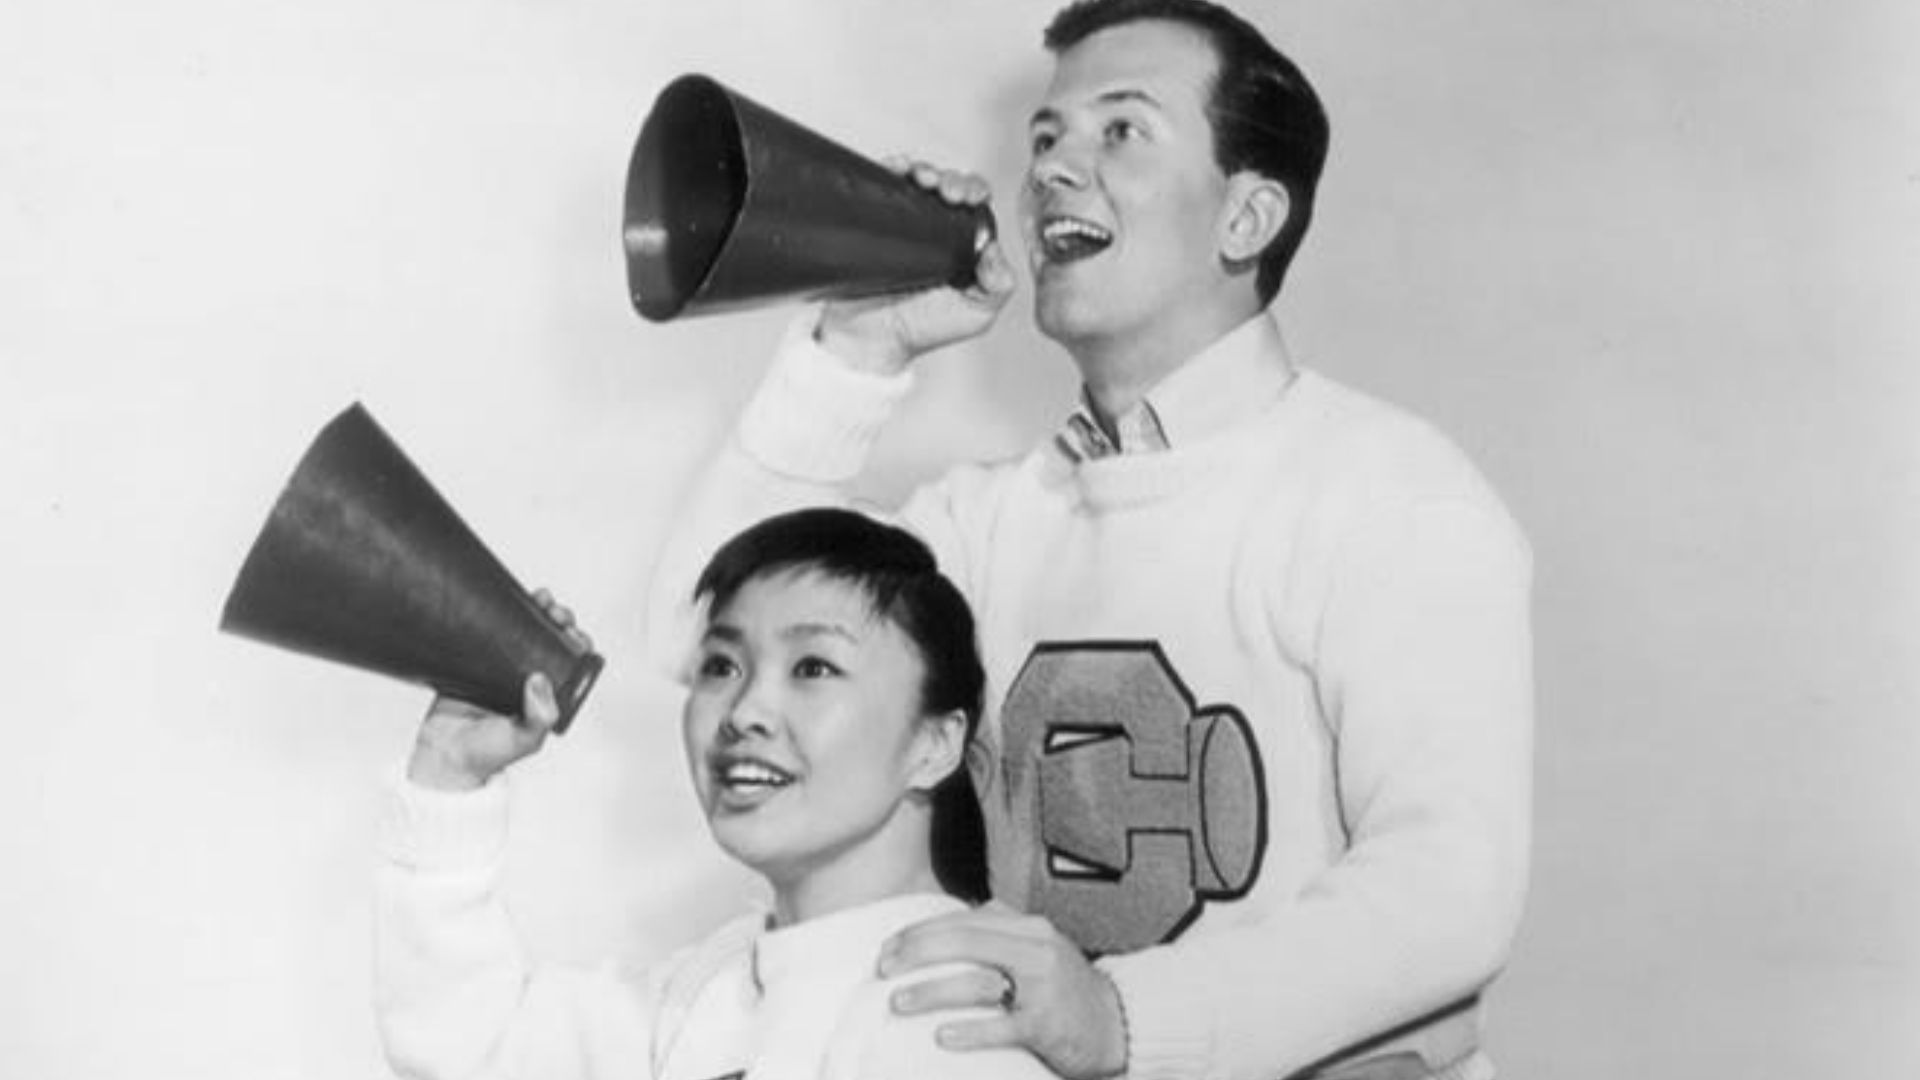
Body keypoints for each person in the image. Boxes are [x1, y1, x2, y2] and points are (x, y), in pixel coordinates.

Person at [643, 2, 1534, 1078]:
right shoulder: (986, 521)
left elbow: (1451, 882)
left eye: (1121, 131)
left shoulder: (1390, 491)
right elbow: (707, 635)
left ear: (1246, 218)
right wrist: (858, 347)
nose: (1055, 171)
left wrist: (1121, 1018)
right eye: (1047, 139)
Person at [376, 509, 1058, 1080]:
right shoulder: (718, 979)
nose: (745, 710)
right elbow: (476, 1049)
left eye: (814, 667)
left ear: (934, 745)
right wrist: (451, 770)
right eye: (722, 665)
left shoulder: (955, 1021)